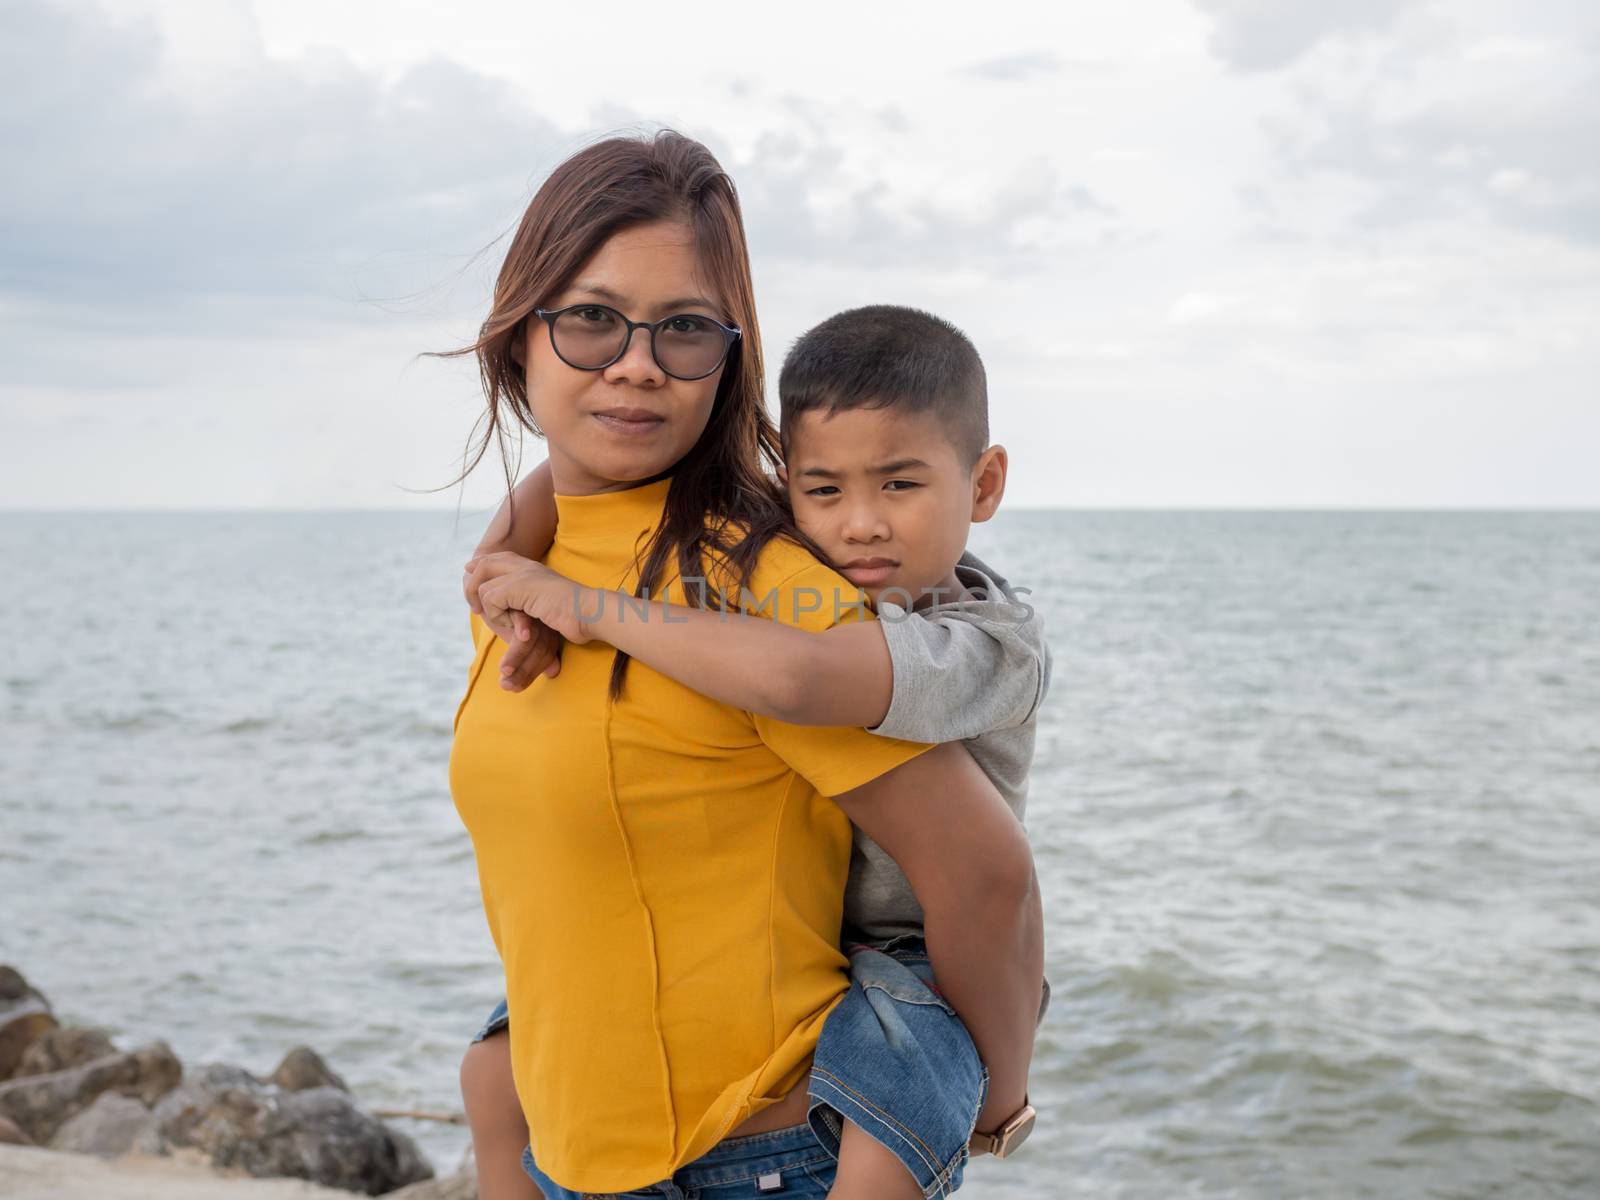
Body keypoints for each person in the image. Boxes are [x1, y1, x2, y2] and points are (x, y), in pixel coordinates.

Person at [444, 130, 1043, 1200]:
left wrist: (995, 1106)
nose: (636, 361)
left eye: (682, 330)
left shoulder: (756, 584)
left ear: (726, 361)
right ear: (516, 337)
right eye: (590, 319)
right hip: (570, 1153)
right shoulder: (529, 568)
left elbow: (981, 869)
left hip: (757, 1164)